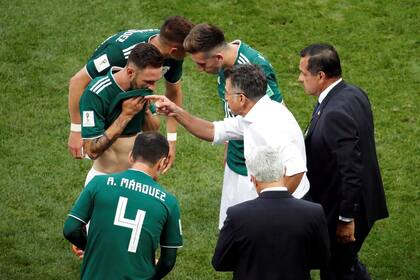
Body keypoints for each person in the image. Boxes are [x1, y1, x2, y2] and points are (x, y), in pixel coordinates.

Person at [147, 64, 309, 207]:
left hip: (288, 208)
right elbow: (213, 130)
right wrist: (175, 111)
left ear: (241, 98)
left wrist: (273, 208)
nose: (225, 98)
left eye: (227, 93)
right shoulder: (254, 113)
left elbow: (296, 171)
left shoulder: (271, 125)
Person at [299, 43, 389, 279]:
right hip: (355, 200)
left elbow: (351, 170)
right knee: (343, 264)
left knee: (337, 270)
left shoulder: (335, 113)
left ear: (321, 76)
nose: (299, 79)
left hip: (346, 207)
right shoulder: (354, 92)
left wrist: (346, 219)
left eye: (304, 73)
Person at [183, 23, 285, 228]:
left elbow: (278, 115)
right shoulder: (223, 66)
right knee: (230, 226)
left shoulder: (255, 66)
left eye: (202, 64)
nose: (199, 70)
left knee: (252, 230)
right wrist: (229, 148)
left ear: (218, 58)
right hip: (236, 158)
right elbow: (232, 113)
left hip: (256, 164)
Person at [68, 16, 194, 172]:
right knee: (100, 144)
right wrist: (76, 129)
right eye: (188, 52)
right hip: (108, 84)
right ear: (174, 50)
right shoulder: (119, 54)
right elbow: (77, 82)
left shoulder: (172, 52)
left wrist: (171, 141)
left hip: (131, 93)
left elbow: (173, 92)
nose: (190, 56)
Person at [64, 132, 183, 279]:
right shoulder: (168, 202)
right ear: (162, 162)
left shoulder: (98, 183)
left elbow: (70, 229)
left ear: (131, 156)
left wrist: (91, 248)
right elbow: (168, 261)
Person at [212, 145, 330, 279]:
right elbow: (322, 259)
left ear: (253, 179)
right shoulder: (313, 212)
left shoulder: (237, 215)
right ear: (284, 171)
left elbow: (220, 262)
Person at [80, 43, 163, 186]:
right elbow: (91, 151)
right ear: (130, 72)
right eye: (149, 81)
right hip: (104, 179)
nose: (153, 87)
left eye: (155, 81)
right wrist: (125, 116)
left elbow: (153, 130)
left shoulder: (143, 88)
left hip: (136, 180)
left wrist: (147, 111)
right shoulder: (96, 93)